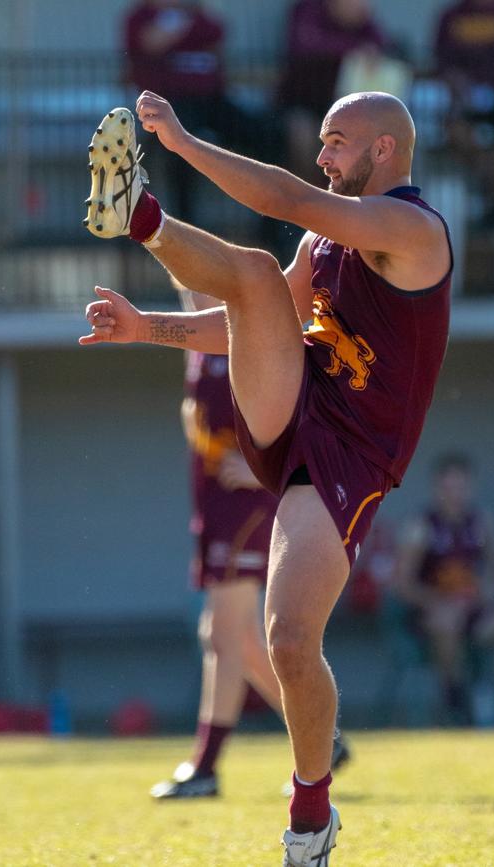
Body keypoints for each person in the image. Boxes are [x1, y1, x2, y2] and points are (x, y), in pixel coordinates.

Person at [80, 84, 452, 864]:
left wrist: (182, 142)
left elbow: (284, 194)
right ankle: (140, 214)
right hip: (293, 409)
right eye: (321, 138)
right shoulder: (326, 246)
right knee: (253, 276)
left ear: (384, 149)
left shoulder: (411, 229)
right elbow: (254, 322)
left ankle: (311, 814)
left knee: (286, 637)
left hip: (351, 459)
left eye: (337, 140)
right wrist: (150, 328)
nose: (321, 155)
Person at [150, 316, 350, 799]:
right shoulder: (198, 339)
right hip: (215, 503)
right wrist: (154, 238)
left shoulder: (258, 336)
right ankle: (328, 739)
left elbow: (309, 415)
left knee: (222, 633)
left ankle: (206, 765)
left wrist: (268, 468)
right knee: (232, 635)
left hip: (248, 505)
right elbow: (194, 414)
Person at [394, 453, 494, 725]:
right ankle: (456, 706)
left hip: (474, 612)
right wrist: (438, 602)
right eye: (449, 488)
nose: (455, 495)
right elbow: (403, 584)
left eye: (461, 488)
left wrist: (489, 588)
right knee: (446, 624)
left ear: (471, 488)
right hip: (432, 618)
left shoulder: (481, 521)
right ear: (437, 488)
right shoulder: (421, 526)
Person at [123, 0, 276, 223]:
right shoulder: (140, 17)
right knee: (179, 149)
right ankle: (184, 229)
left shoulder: (199, 15)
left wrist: (180, 27)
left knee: (267, 134)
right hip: (169, 106)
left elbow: (216, 33)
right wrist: (181, 28)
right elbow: (151, 42)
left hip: (212, 102)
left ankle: (272, 227)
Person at [433, 0, 494, 227]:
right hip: (464, 98)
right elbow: (442, 59)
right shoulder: (451, 16)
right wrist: (459, 82)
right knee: (457, 133)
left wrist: (490, 80)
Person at [279, 0, 387, 185]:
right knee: (302, 137)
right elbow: (307, 45)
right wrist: (354, 49)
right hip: (300, 106)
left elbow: (380, 42)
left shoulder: (362, 21)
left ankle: (350, 206)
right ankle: (305, 204)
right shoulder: (308, 10)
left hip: (342, 110)